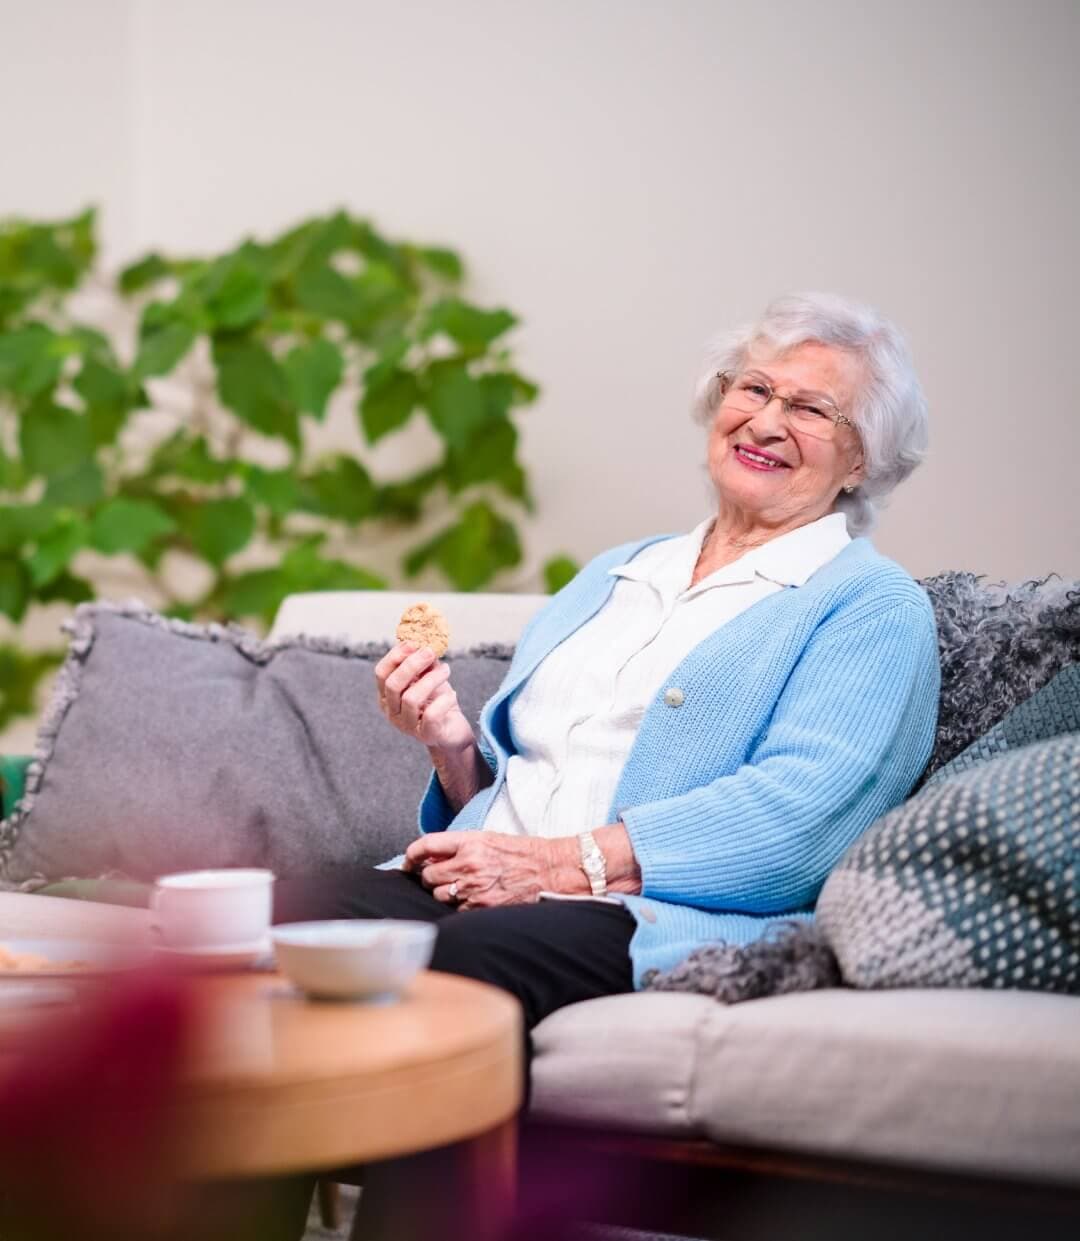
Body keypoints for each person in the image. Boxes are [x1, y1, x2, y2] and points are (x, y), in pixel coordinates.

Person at [274, 290, 940, 1051]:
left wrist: (557, 865)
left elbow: (802, 820)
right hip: (486, 889)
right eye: (754, 388)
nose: (765, 421)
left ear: (863, 457)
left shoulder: (872, 606)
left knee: (461, 970)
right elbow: (530, 786)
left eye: (812, 409)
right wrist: (453, 746)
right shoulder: (617, 572)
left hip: (641, 916)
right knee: (278, 920)